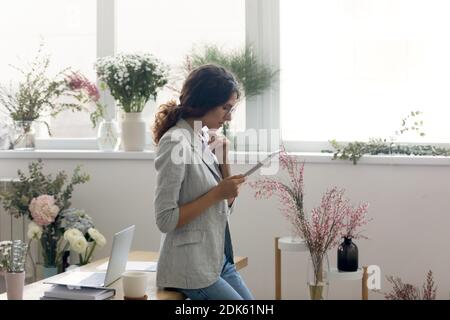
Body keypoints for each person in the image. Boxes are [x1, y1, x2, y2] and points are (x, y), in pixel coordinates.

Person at [152, 64, 254, 300]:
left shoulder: (200, 136)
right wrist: (216, 194)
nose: (228, 117)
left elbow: (225, 205)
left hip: (218, 260)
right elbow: (165, 220)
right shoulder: (175, 142)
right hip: (190, 269)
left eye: (232, 109)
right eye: (225, 108)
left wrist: (224, 158)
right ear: (205, 102)